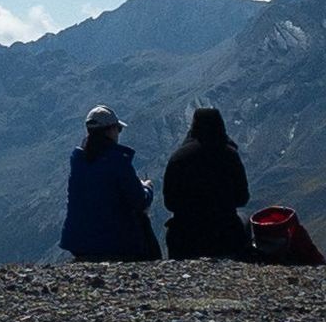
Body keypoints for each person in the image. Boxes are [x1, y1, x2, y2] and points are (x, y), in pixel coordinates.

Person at [59, 105, 161, 262]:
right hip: (113, 243)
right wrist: (148, 187)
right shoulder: (118, 160)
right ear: (111, 130)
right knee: (142, 220)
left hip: (78, 242)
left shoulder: (78, 160)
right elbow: (139, 201)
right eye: (118, 129)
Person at [162, 107, 252, 260]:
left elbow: (170, 203)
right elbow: (242, 198)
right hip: (225, 234)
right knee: (244, 219)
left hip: (186, 237)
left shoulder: (179, 157)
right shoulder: (230, 155)